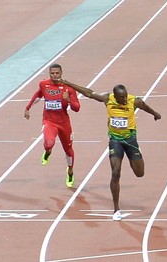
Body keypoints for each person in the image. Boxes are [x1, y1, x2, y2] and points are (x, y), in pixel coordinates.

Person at [61, 80, 161, 221]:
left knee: (140, 173)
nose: (124, 99)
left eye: (125, 96)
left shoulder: (134, 101)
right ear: (115, 96)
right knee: (115, 172)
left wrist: (155, 114)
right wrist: (68, 83)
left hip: (130, 141)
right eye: (121, 97)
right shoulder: (108, 99)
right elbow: (89, 93)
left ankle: (135, 155)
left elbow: (146, 107)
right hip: (115, 141)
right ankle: (116, 210)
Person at [24, 64, 81, 188]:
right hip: (49, 121)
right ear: (49, 73)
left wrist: (69, 100)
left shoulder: (68, 88)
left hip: (64, 123)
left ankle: (70, 171)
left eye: (57, 73)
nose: (55, 75)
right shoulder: (44, 84)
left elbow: (77, 108)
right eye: (52, 73)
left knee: (68, 151)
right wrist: (28, 107)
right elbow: (38, 95)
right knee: (49, 143)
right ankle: (48, 151)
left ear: (61, 73)